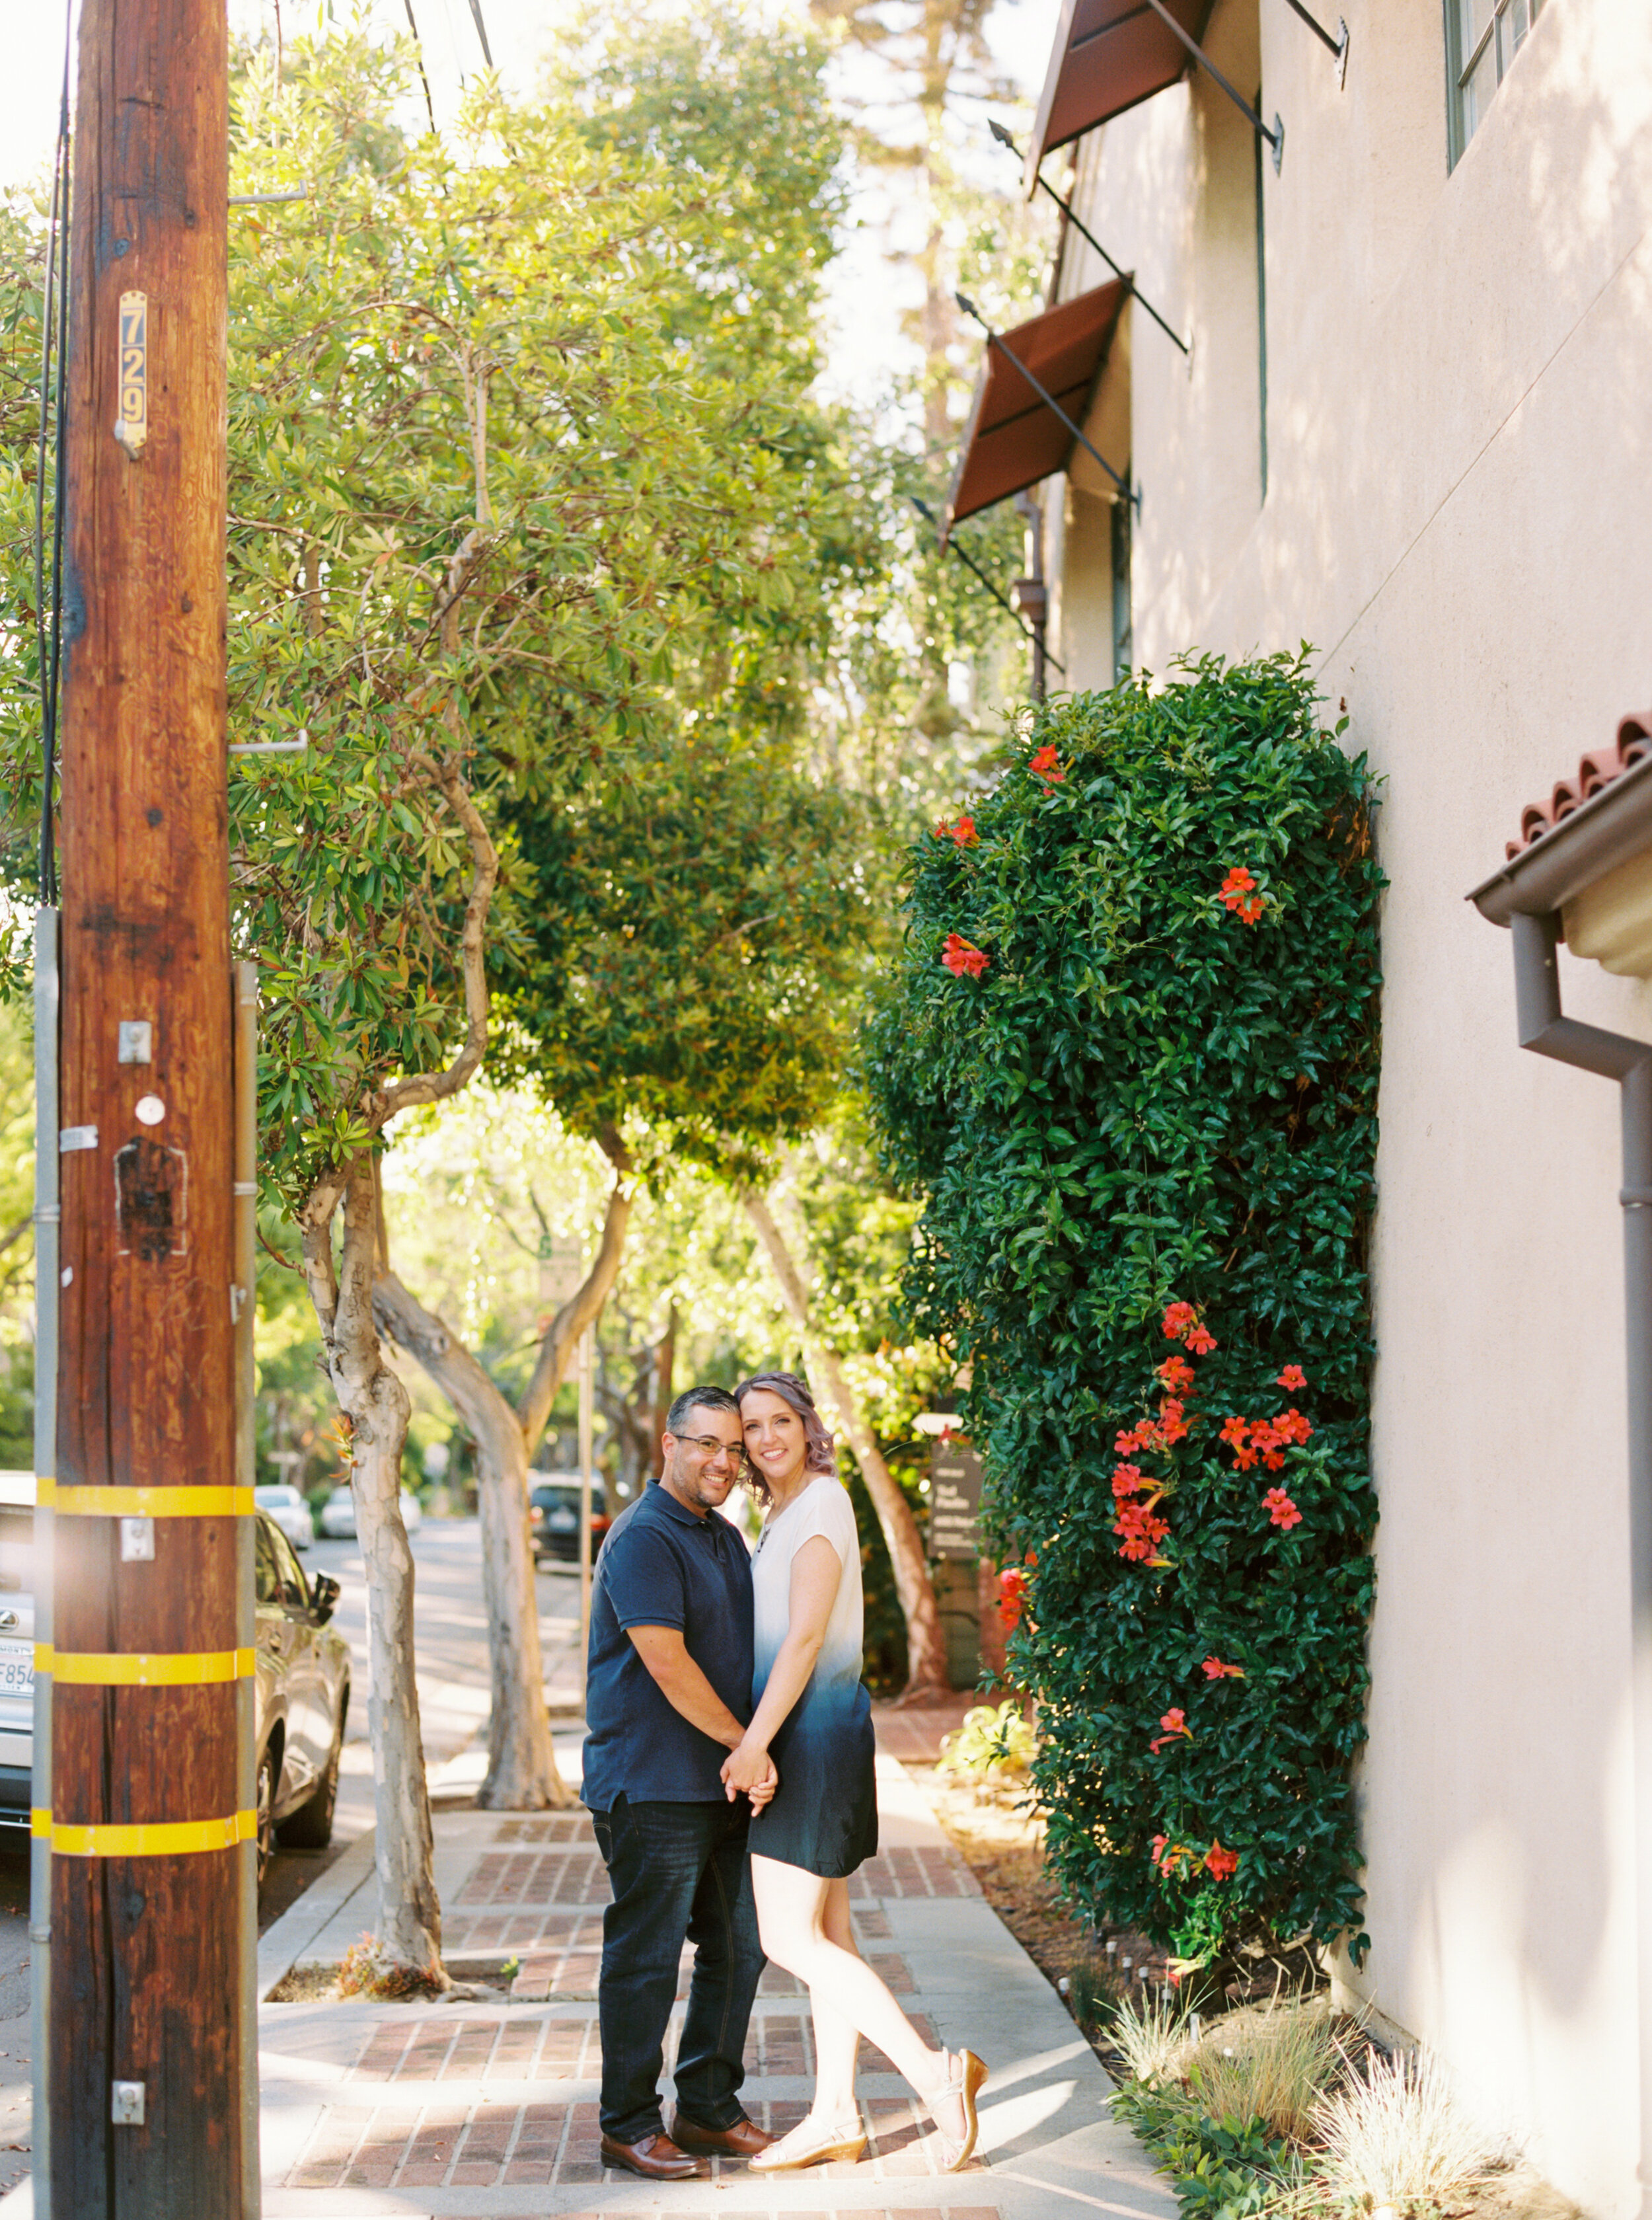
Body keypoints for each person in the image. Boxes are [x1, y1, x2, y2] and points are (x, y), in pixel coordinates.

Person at [722, 1369, 989, 2174]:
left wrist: (755, 1743)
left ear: (807, 1426)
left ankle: (935, 2075)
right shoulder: (781, 1514)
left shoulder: (823, 1503)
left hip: (807, 1742)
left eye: (780, 1420)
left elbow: (803, 1642)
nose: (766, 1437)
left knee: (787, 1934)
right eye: (751, 1428)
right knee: (828, 1933)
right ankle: (836, 2114)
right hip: (810, 1738)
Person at [581, 1385, 780, 2182]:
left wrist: (752, 1751)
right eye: (705, 1443)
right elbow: (668, 1664)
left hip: (721, 1783)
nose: (722, 1461)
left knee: (741, 1943)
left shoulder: (723, 1535)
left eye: (732, 1447)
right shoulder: (642, 1539)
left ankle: (705, 2106)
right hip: (652, 1783)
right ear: (667, 1443)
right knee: (646, 1955)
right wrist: (748, 1745)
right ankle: (626, 2123)